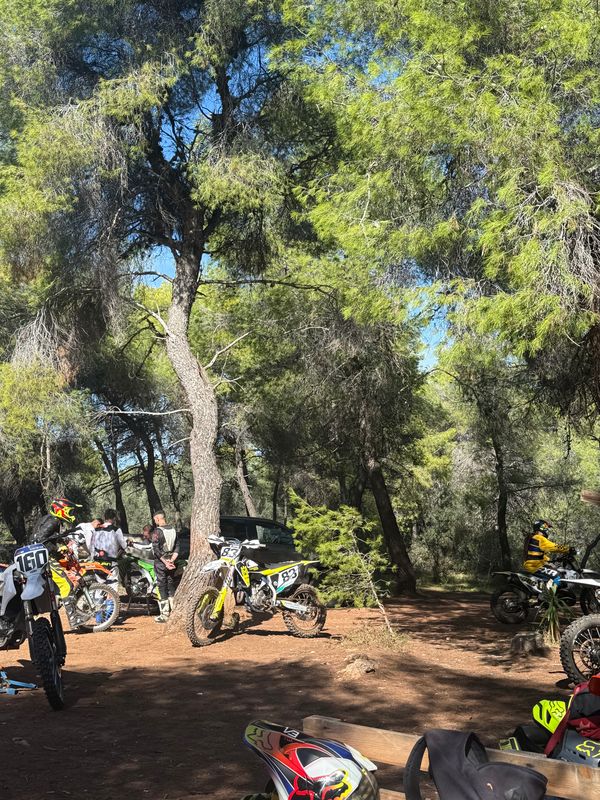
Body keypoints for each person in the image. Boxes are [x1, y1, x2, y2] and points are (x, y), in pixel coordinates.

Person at [150, 510, 179, 623]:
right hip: (172, 561)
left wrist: (165, 562)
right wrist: (172, 560)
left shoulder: (157, 531)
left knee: (161, 585)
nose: (155, 522)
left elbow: (156, 549)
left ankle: (165, 614)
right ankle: (174, 610)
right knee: (170, 583)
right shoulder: (173, 530)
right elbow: (177, 546)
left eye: (155, 520)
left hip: (161, 563)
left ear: (158, 519)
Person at [523, 519, 571, 583]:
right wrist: (568, 549)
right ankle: (549, 589)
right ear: (541, 527)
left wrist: (550, 561)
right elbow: (555, 547)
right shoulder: (539, 538)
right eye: (546, 527)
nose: (547, 530)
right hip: (535, 567)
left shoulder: (532, 537)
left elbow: (537, 555)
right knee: (560, 578)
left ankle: (545, 586)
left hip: (531, 566)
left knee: (555, 570)